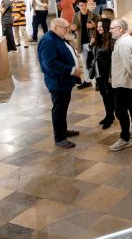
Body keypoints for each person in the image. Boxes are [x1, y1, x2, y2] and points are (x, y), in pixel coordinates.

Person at [37, 18, 81, 149]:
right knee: (59, 109)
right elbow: (50, 64)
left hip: (64, 81)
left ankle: (63, 130)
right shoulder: (48, 41)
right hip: (57, 82)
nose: (68, 30)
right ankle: (59, 138)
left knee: (63, 108)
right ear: (55, 27)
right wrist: (72, 70)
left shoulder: (57, 37)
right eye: (65, 28)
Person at [108, 18, 132, 151]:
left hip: (123, 82)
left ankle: (125, 138)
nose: (110, 31)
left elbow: (128, 64)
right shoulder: (130, 39)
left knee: (120, 110)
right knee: (131, 104)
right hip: (127, 81)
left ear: (120, 29)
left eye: (112, 28)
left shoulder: (122, 44)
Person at [89, 18, 116, 129]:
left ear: (106, 27)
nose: (99, 28)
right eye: (98, 26)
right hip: (98, 72)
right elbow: (95, 53)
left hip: (107, 73)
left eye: (101, 26)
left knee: (108, 96)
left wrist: (110, 76)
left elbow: (112, 60)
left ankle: (110, 117)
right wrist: (91, 44)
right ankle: (108, 115)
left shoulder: (111, 41)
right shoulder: (98, 38)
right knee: (104, 95)